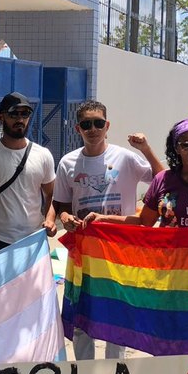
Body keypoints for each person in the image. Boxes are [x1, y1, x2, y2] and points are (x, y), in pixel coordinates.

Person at [52, 100, 162, 360]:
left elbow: (161, 179)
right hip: (86, 252)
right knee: (82, 315)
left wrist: (145, 148)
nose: (93, 129)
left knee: (118, 315)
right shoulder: (68, 163)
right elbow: (62, 206)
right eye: (87, 124)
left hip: (120, 249)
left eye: (98, 123)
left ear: (107, 125)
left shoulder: (125, 157)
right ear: (78, 129)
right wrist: (66, 218)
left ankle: (114, 372)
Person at [89, 117, 188, 228]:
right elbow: (144, 221)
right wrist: (102, 218)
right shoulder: (162, 180)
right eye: (186, 144)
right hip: (166, 265)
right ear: (177, 149)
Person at [0, 92, 56, 257]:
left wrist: (50, 219)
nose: (20, 119)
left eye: (25, 114)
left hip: (33, 239)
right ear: (1, 118)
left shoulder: (43, 155)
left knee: (34, 285)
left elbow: (52, 194)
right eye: (14, 114)